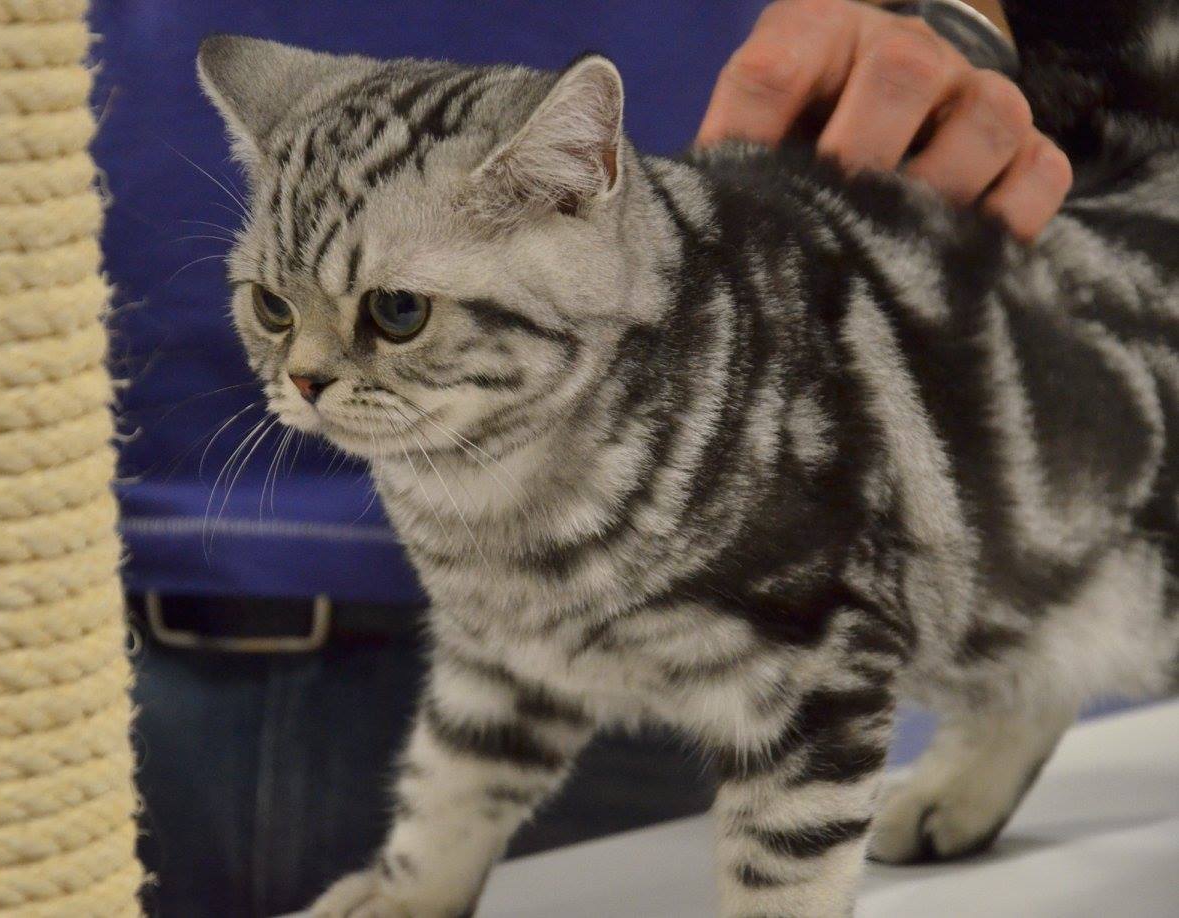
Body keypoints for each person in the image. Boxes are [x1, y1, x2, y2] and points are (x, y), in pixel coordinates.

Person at [97, 1, 1075, 915]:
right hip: (116, 588)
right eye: (273, 309)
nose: (306, 373)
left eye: (395, 313)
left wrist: (956, 17)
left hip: (674, 596)